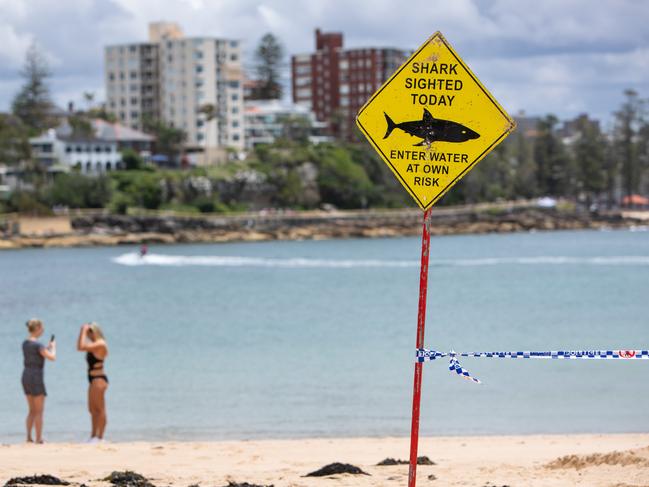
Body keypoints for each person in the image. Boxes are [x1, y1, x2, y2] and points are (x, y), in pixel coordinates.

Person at [22, 318, 56, 443]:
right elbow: (52, 357)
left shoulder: (25, 343)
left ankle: (28, 437)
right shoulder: (39, 345)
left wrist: (46, 348)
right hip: (36, 376)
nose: (43, 330)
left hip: (26, 375)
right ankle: (38, 438)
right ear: (37, 328)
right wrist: (53, 348)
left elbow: (36, 352)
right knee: (39, 411)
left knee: (31, 409)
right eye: (42, 328)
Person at [76, 322, 109, 442]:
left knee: (100, 409)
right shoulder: (94, 344)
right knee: (92, 409)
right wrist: (84, 332)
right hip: (92, 380)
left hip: (99, 379)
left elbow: (80, 347)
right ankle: (93, 436)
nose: (88, 335)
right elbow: (81, 346)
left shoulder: (101, 344)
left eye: (89, 332)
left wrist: (82, 331)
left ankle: (100, 437)